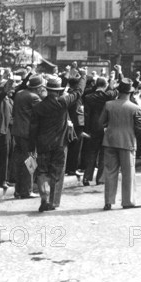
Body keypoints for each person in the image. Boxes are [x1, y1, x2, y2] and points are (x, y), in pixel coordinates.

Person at [30, 75, 85, 212]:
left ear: (47, 90)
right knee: (57, 173)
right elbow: (78, 92)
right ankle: (53, 202)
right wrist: (83, 76)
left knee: (42, 171)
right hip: (60, 144)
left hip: (42, 145)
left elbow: (33, 129)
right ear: (59, 91)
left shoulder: (38, 107)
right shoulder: (63, 102)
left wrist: (32, 147)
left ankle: (44, 196)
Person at [100, 79, 141, 210]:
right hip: (127, 142)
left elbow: (101, 122)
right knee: (128, 173)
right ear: (130, 93)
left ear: (119, 91)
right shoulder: (135, 108)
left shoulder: (108, 104)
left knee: (110, 172)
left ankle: (108, 201)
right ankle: (128, 201)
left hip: (109, 141)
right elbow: (140, 128)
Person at [83, 71, 121, 186]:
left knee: (91, 153)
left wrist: (87, 129)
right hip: (105, 128)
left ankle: (86, 178)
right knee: (104, 154)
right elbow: (116, 90)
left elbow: (86, 115)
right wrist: (115, 76)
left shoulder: (88, 97)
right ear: (105, 86)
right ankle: (100, 178)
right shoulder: (108, 95)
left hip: (93, 128)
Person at [11, 75, 45, 199]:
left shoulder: (19, 93)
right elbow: (42, 111)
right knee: (30, 160)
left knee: (19, 161)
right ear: (39, 87)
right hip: (28, 134)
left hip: (17, 131)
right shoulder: (34, 97)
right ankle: (27, 190)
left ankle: (18, 190)